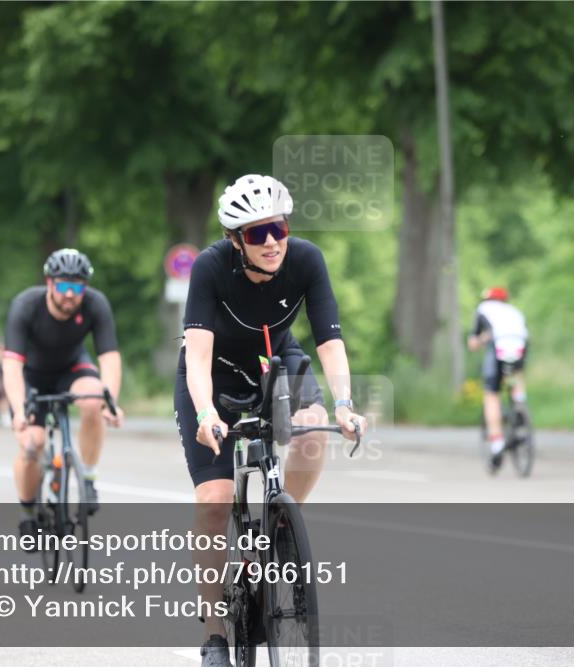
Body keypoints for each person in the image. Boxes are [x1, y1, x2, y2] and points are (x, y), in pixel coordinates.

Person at [175, 174, 367, 666]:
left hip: (273, 360)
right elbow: (196, 357)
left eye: (277, 229)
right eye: (257, 233)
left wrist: (344, 402)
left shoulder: (306, 259)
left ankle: (280, 531)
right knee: (215, 500)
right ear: (236, 239)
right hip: (213, 375)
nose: (271, 242)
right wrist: (205, 413)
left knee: (313, 425)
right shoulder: (211, 268)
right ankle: (216, 634)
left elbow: (329, 340)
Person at [2, 248, 124, 543]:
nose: (71, 294)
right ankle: (28, 513)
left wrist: (111, 403)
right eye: (64, 286)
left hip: (71, 368)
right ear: (50, 283)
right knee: (33, 444)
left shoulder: (95, 304)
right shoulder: (26, 305)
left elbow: (109, 358)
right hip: (31, 377)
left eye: (77, 287)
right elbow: (11, 365)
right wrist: (19, 410)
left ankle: (90, 478)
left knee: (94, 399)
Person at [468, 286, 529, 471]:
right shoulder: (514, 311)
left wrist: (479, 341)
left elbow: (473, 343)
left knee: (491, 394)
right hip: (520, 343)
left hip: (498, 345)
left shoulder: (483, 310)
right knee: (516, 372)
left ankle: (497, 442)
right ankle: (520, 403)